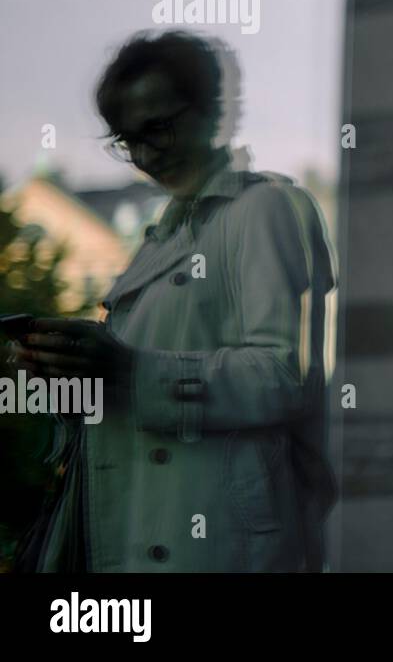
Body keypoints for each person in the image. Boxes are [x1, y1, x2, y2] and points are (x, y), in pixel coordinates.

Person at [14, 30, 337, 571]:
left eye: (156, 128)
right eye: (126, 139)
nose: (143, 155)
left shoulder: (267, 209)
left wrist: (127, 371)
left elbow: (285, 376)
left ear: (213, 113)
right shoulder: (158, 241)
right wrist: (68, 373)